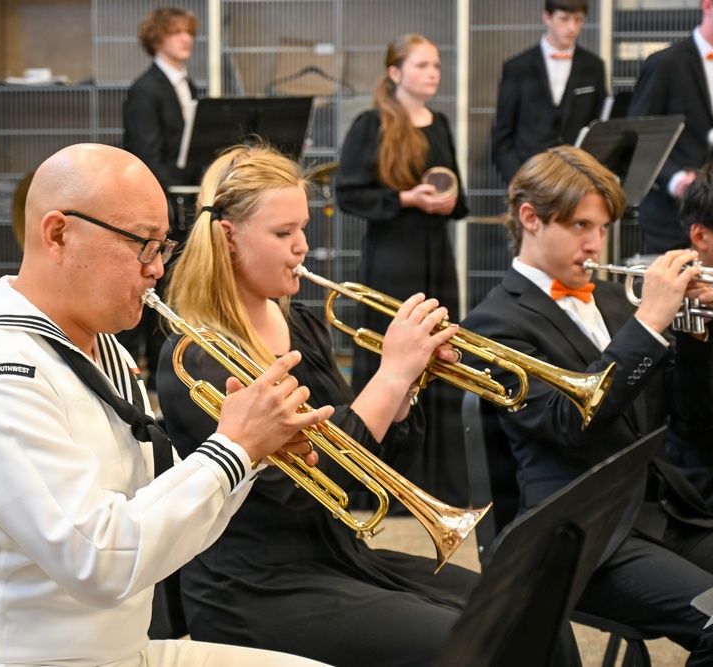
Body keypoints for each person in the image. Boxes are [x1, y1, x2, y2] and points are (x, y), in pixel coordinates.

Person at [0, 142, 339, 667]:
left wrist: (251, 458)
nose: (158, 269)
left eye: (164, 247)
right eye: (143, 245)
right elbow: (98, 560)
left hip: (118, 651)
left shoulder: (99, 345)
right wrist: (234, 448)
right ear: (59, 235)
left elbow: (159, 514)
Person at [156, 143, 582, 667]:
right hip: (257, 587)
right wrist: (393, 372)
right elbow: (306, 489)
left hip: (339, 557)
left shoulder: (304, 325)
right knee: (477, 646)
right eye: (283, 233)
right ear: (228, 237)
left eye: (303, 230)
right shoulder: (198, 356)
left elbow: (373, 466)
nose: (302, 248)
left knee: (538, 617)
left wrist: (407, 386)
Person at [461, 145, 713, 665]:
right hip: (582, 538)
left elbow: (692, 421)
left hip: (659, 512)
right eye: (581, 226)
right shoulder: (491, 325)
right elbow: (569, 422)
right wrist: (648, 326)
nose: (595, 243)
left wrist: (696, 336)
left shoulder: (608, 299)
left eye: (602, 228)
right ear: (530, 220)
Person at [335, 33, 469, 505]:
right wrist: (404, 199)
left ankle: (439, 484)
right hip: (392, 261)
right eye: (422, 65)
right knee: (389, 358)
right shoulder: (371, 124)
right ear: (395, 73)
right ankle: (379, 481)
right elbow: (348, 193)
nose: (433, 73)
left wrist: (450, 202)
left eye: (436, 65)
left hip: (436, 258)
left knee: (441, 357)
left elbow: (457, 197)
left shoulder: (442, 123)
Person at [120, 6, 201, 389]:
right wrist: (185, 189)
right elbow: (146, 155)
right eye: (176, 32)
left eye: (189, 32)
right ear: (156, 39)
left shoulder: (189, 85)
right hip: (159, 204)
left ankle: (165, 373)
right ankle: (142, 378)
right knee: (153, 288)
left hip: (185, 204)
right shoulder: (144, 90)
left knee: (173, 291)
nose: (186, 38)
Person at [627, 0, 713, 254]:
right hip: (669, 217)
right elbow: (639, 137)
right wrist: (675, 179)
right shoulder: (665, 64)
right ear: (708, 6)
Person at [491, 0, 607, 186]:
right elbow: (502, 135)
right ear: (547, 17)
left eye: (578, 20)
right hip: (530, 176)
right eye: (564, 19)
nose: (572, 27)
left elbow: (600, 128)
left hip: (578, 179)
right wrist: (517, 180)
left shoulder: (594, 67)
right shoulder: (517, 67)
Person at [667, 157, 713, 511]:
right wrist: (698, 338)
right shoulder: (673, 300)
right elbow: (696, 422)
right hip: (704, 483)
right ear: (700, 236)